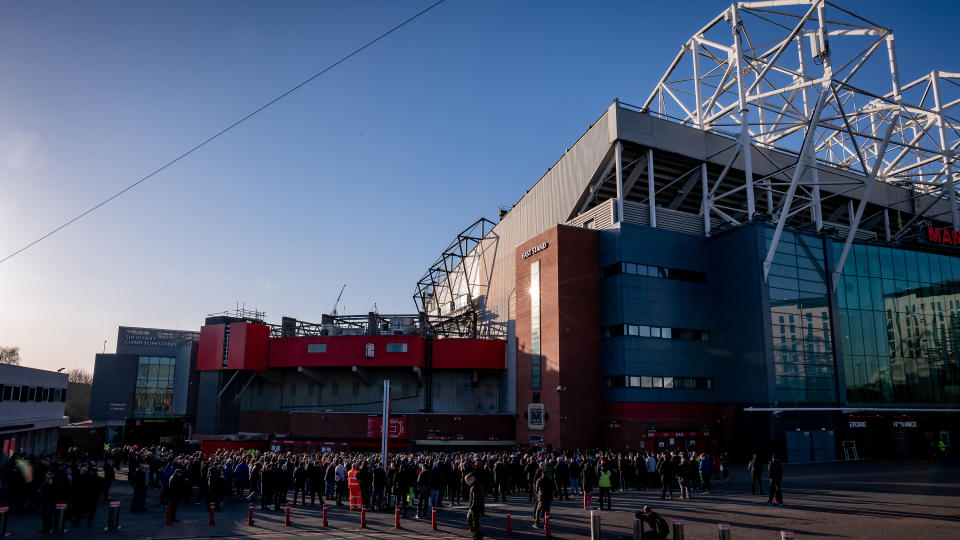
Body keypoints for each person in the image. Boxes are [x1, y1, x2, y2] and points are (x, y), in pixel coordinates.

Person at [533, 463, 554, 529]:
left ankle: (537, 523)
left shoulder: (539, 480)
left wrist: (538, 493)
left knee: (538, 510)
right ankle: (546, 524)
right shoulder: (550, 480)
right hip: (548, 496)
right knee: (547, 511)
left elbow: (536, 489)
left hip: (541, 496)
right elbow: (552, 489)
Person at [466, 472, 484, 540]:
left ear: (471, 479)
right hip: (477, 507)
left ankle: (477, 536)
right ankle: (478, 535)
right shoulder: (476, 485)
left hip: (475, 507)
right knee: (474, 522)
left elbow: (475, 499)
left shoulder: (474, 487)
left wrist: (471, 509)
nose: (467, 483)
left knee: (474, 522)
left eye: (467, 481)